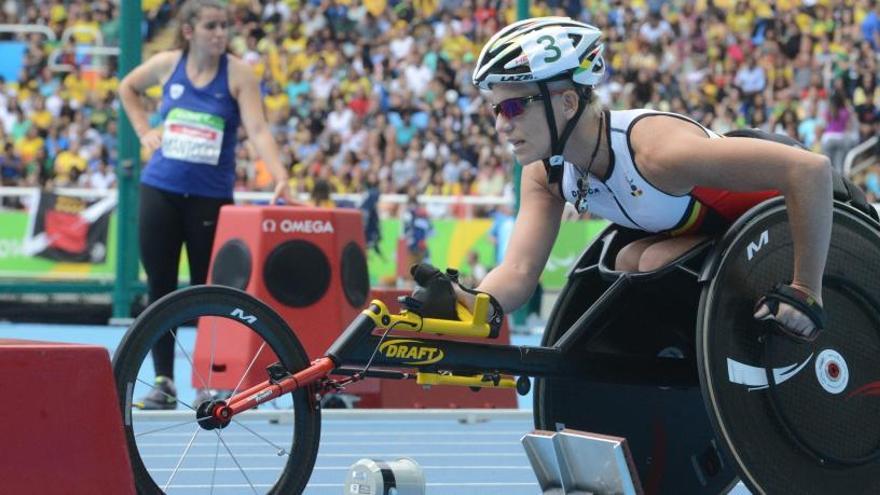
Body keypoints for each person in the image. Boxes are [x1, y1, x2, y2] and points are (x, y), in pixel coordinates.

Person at [452, 17, 833, 344]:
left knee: (649, 260)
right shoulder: (545, 173)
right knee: (627, 259)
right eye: (497, 109)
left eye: (515, 106)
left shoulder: (657, 152)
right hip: (715, 237)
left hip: (787, 227)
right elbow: (518, 273)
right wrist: (468, 304)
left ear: (568, 103)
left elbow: (810, 170)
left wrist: (805, 292)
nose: (502, 125)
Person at [118, 0, 293, 409]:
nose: (220, 33)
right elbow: (127, 86)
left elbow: (257, 128)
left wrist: (279, 172)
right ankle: (163, 381)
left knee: (209, 290)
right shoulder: (166, 65)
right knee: (159, 288)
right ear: (189, 31)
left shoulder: (238, 74)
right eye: (212, 26)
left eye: (225, 26)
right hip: (160, 189)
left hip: (210, 198)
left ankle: (211, 383)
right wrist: (144, 130)